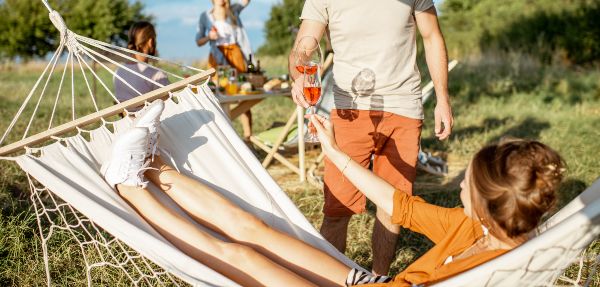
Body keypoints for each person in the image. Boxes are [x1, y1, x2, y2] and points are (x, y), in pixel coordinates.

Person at [100, 99, 564, 287]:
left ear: (485, 201)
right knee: (254, 228)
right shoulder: (474, 225)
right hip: (372, 284)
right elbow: (399, 203)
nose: (459, 181)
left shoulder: (502, 272)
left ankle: (127, 185)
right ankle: (152, 167)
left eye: (467, 181)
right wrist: (337, 154)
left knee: (241, 255)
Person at [288, 0, 454, 275]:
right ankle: (329, 279)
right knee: (337, 208)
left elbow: (432, 36)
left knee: (393, 206)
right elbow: (303, 49)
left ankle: (379, 277)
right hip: (350, 110)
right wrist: (299, 75)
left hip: (404, 106)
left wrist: (442, 98)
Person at [196, 0, 254, 140]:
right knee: (219, 95)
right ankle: (225, 138)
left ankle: (248, 138)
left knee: (242, 95)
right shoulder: (205, 16)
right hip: (217, 57)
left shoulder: (233, 10)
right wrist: (209, 37)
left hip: (235, 55)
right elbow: (198, 41)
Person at [114, 21, 170, 105]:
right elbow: (169, 106)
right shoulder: (157, 75)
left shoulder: (118, 72)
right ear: (150, 42)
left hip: (126, 118)